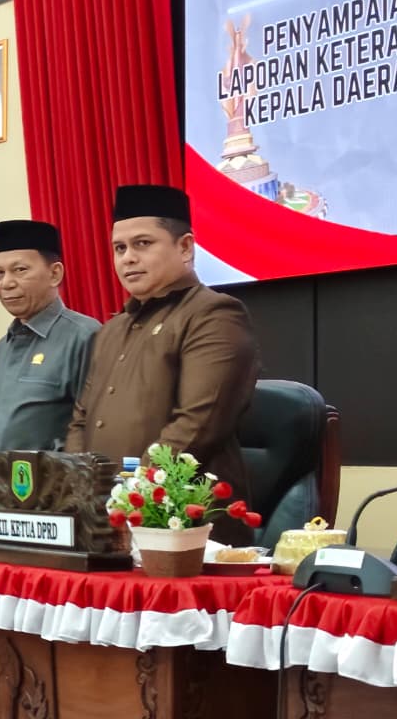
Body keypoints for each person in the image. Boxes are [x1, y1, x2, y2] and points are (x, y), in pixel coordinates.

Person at [65, 185, 259, 544]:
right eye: (119, 248)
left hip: (184, 532)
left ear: (185, 247)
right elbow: (81, 419)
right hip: (104, 526)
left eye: (142, 244)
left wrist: (128, 498)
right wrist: (80, 492)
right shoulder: (111, 330)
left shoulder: (214, 315)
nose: (128, 258)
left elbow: (197, 425)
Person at [0, 220, 99, 451]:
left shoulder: (84, 336)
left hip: (57, 474)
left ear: (55, 274)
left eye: (20, 270)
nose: (6, 283)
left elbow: (94, 427)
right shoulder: (3, 347)